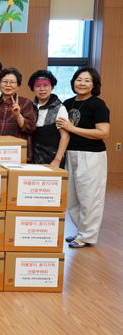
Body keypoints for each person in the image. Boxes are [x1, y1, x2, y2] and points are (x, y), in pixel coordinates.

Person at [57, 67, 110, 248]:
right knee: (72, 198)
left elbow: (103, 132)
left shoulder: (98, 104)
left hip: (91, 155)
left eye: (87, 81)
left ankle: (87, 236)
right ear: (73, 82)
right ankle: (81, 231)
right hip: (71, 153)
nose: (82, 83)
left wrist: (73, 128)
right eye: (79, 79)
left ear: (94, 85)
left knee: (89, 197)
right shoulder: (68, 102)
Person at [0, 68, 36, 161]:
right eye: (5, 82)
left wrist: (18, 115)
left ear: (18, 85)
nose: (8, 85)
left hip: (16, 152)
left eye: (12, 82)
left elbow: (30, 128)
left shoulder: (25, 102)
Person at [28, 70, 69, 167]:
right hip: (32, 157)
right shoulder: (29, 107)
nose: (42, 89)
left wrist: (57, 160)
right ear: (33, 88)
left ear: (52, 87)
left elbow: (65, 136)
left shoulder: (59, 108)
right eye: (38, 86)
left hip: (52, 158)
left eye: (45, 85)